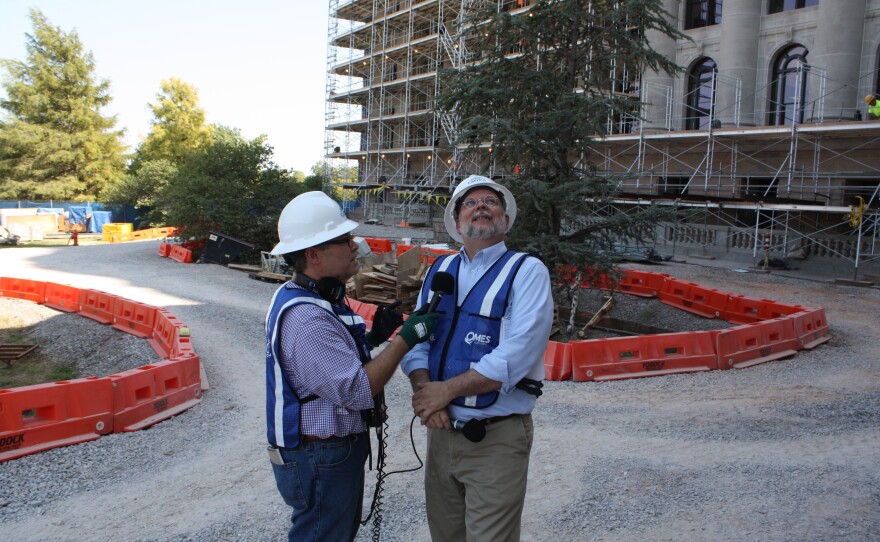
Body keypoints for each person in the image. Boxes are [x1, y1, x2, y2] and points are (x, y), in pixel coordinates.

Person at [265, 191, 438, 542]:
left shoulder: (310, 297)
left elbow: (328, 366)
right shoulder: (307, 318)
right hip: (321, 455)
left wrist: (375, 337)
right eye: (344, 241)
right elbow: (356, 390)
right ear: (313, 255)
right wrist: (405, 338)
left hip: (325, 452)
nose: (355, 246)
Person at [401, 175, 554, 541]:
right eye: (470, 203)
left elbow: (517, 354)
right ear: (457, 223)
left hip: (495, 439)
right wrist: (427, 395)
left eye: (490, 201)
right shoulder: (439, 271)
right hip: (441, 434)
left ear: (505, 220)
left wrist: (446, 391)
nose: (481, 206)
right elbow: (419, 340)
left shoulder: (526, 271)